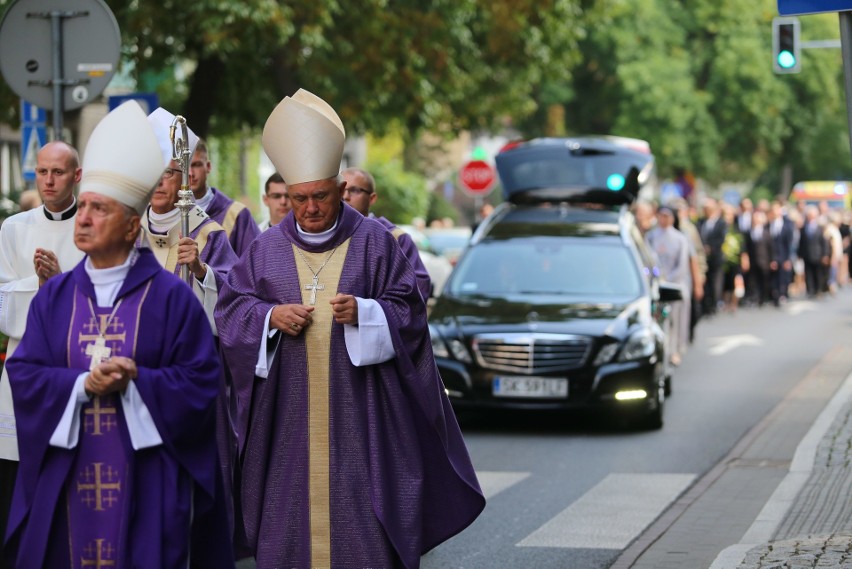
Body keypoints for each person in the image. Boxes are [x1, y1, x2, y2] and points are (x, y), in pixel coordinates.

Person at [215, 89, 484, 568]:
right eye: (299, 199)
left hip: (363, 418)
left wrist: (367, 313)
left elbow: (411, 311)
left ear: (341, 190)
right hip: (286, 426)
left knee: (363, 532)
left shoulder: (376, 242)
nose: (310, 208)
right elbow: (233, 311)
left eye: (320, 195)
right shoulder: (266, 249)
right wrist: (269, 318)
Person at [3, 101, 234, 568]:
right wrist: (80, 385)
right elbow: (24, 372)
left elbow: (201, 382)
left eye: (99, 209)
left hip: (146, 478)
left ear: (132, 227)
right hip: (68, 476)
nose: (83, 218)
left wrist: (138, 383)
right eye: (83, 206)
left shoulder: (170, 299)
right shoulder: (55, 297)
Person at [0, 140, 86, 564]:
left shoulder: (91, 226)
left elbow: (105, 298)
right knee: (17, 482)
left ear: (77, 176)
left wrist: (61, 281)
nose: (49, 181)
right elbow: (1, 303)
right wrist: (38, 285)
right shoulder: (13, 228)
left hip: (76, 368)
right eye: (42, 172)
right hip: (23, 372)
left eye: (58, 172)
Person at [140, 107, 239, 333]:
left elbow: (236, 298)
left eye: (166, 173)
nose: (158, 182)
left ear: (184, 178)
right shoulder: (130, 231)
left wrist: (202, 271)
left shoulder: (208, 233)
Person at [341, 166, 432, 300]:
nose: (345, 196)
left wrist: (368, 309)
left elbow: (419, 287)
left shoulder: (395, 237)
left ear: (372, 198)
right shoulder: (325, 234)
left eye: (354, 190)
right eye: (341, 190)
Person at [646, 205, 698, 366]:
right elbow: (647, 259)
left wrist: (667, 280)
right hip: (655, 285)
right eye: (661, 216)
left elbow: (682, 265)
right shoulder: (651, 236)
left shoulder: (681, 238)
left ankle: (674, 350)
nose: (663, 219)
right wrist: (655, 278)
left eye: (667, 216)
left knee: (675, 320)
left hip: (674, 285)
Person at [189, 139, 260, 256]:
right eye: (184, 167)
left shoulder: (237, 215)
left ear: (208, 166)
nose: (190, 173)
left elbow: (255, 263)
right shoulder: (167, 213)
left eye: (196, 165)